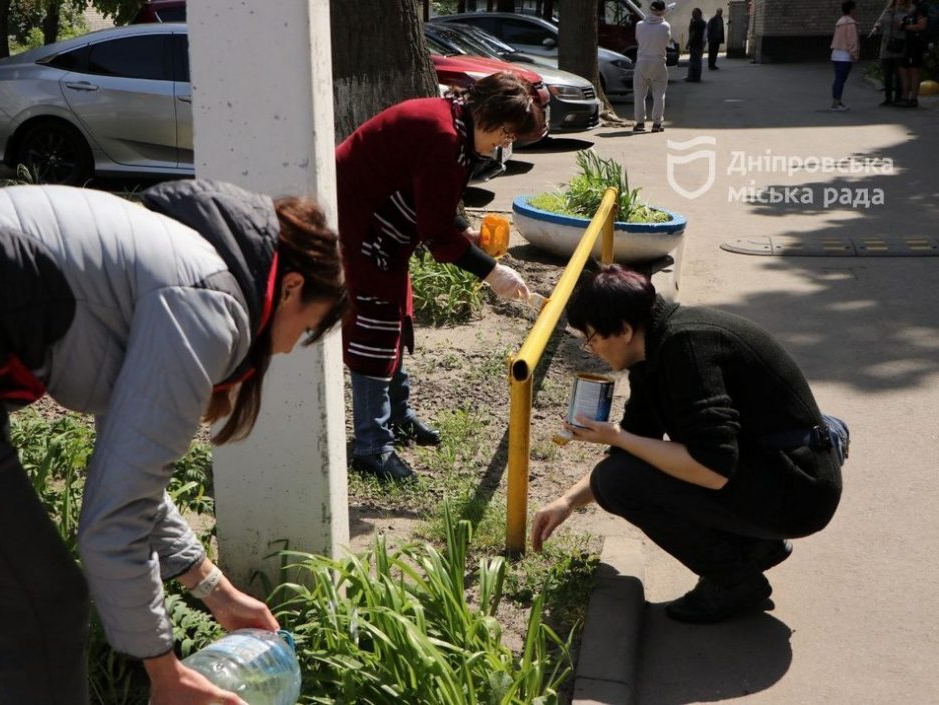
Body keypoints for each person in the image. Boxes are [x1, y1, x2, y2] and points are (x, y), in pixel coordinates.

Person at [0, 179, 347, 705]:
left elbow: (130, 475)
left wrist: (212, 588)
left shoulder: (177, 264)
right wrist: (165, 672)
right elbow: (114, 520)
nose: (287, 350)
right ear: (288, 288)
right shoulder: (208, 304)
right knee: (45, 609)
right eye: (305, 329)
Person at [531, 265, 847, 624]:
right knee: (617, 474)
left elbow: (712, 469)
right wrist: (567, 501)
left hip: (800, 490)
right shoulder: (653, 351)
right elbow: (634, 448)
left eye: (590, 339)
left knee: (617, 482)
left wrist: (617, 436)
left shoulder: (687, 348)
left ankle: (735, 580)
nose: (590, 350)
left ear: (622, 330)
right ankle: (753, 546)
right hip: (779, 470)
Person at [336, 71, 541, 481]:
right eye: (507, 135)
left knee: (394, 318)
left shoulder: (455, 124)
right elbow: (434, 228)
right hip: (359, 228)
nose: (506, 144)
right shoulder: (444, 136)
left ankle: (397, 415)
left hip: (383, 228)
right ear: (491, 117)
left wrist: (466, 231)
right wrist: (491, 272)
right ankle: (372, 445)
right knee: (375, 329)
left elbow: (439, 200)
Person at [633, 0, 672, 133]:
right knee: (659, 94)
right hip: (658, 62)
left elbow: (638, 40)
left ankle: (639, 123)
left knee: (639, 94)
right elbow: (666, 41)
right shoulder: (665, 26)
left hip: (642, 61)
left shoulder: (639, 25)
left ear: (650, 10)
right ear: (662, 11)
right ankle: (656, 123)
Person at [871, 0, 910, 105]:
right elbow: (880, 21)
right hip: (886, 45)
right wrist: (876, 27)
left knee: (898, 74)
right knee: (887, 73)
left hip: (899, 44)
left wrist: (900, 24)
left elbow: (907, 25)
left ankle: (898, 97)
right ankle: (888, 98)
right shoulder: (888, 10)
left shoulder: (908, 10)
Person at [896, 0, 929, 107]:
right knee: (903, 69)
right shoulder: (913, 7)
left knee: (914, 70)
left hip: (917, 44)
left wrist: (906, 27)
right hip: (908, 44)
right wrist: (902, 23)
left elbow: (922, 25)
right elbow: (906, 21)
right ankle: (905, 97)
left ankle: (913, 98)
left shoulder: (922, 6)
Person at [829, 0, 860, 111]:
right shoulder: (850, 23)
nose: (856, 11)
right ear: (851, 9)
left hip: (836, 53)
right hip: (845, 55)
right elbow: (852, 41)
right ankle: (837, 103)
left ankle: (836, 101)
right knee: (841, 79)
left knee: (838, 79)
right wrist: (855, 54)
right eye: (855, 8)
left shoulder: (840, 21)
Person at [686, 8, 707, 82]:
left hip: (695, 44)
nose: (692, 14)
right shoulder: (703, 22)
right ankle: (693, 77)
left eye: (694, 13)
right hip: (699, 44)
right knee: (696, 60)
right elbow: (705, 35)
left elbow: (692, 33)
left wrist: (688, 43)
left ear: (698, 13)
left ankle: (693, 77)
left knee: (694, 61)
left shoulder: (696, 22)